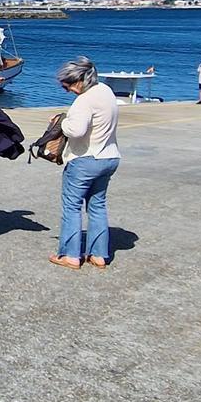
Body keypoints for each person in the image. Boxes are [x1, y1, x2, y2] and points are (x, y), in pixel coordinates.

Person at [52, 57, 122, 269]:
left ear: (79, 80)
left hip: (85, 159)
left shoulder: (84, 100)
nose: (68, 90)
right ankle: (99, 254)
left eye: (68, 85)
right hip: (109, 156)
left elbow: (77, 130)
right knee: (97, 205)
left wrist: (61, 122)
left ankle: (71, 255)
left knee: (72, 207)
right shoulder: (106, 91)